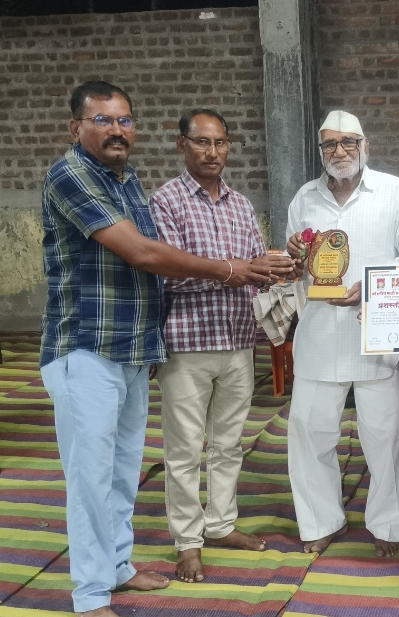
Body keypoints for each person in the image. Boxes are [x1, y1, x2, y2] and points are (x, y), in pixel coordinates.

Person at [39, 81, 277, 617]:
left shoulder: (125, 181)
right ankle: (90, 594)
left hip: (131, 348)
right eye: (103, 120)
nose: (117, 130)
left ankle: (117, 568)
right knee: (90, 476)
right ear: (76, 128)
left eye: (124, 120)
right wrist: (233, 270)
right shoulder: (70, 174)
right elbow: (145, 254)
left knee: (123, 470)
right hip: (85, 346)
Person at [148, 109, 291, 583]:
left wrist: (280, 266)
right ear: (181, 144)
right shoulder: (165, 201)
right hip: (188, 343)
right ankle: (187, 541)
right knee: (185, 449)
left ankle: (221, 524)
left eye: (221, 143)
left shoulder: (241, 205)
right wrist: (233, 270)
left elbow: (256, 266)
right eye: (202, 142)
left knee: (229, 444)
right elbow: (167, 271)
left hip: (237, 340)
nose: (212, 152)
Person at [285, 110, 399, 558]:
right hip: (320, 335)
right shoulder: (304, 198)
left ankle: (390, 524)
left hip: (376, 332)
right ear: (320, 150)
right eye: (330, 144)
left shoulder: (393, 191)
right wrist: (293, 256)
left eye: (348, 142)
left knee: (387, 434)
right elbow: (294, 270)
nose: (339, 151)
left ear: (365, 147)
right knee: (310, 432)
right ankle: (321, 520)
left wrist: (372, 285)